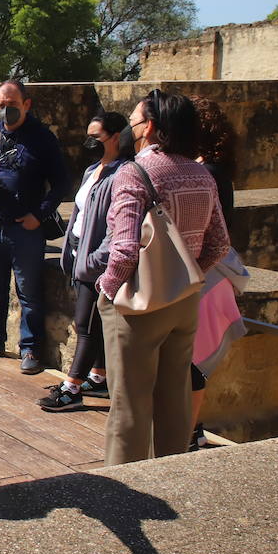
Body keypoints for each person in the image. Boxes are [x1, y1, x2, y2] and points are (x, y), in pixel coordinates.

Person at [97, 90, 230, 465]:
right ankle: (173, 477)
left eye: (135, 121)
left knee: (129, 405)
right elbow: (220, 243)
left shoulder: (133, 173)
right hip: (185, 300)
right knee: (175, 396)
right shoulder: (202, 173)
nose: (131, 129)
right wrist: (186, 277)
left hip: (139, 302)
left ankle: (124, 490)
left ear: (151, 127)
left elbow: (123, 249)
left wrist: (106, 291)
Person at [0, 80, 71, 374]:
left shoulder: (42, 139)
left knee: (29, 293)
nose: (6, 109)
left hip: (25, 229)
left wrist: (40, 214)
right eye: (1, 105)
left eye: (11, 104)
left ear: (26, 104)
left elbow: (61, 182)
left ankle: (30, 349)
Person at [36, 111, 131, 411]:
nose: (89, 142)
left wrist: (93, 260)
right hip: (80, 255)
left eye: (96, 137)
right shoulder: (93, 170)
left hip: (96, 262)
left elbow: (118, 229)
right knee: (95, 323)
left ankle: (72, 387)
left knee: (85, 325)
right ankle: (98, 377)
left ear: (115, 137)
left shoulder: (123, 174)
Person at [188, 95, 246, 449]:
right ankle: (190, 431)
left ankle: (190, 433)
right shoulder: (213, 170)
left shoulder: (206, 172)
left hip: (205, 279)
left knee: (192, 364)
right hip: (211, 278)